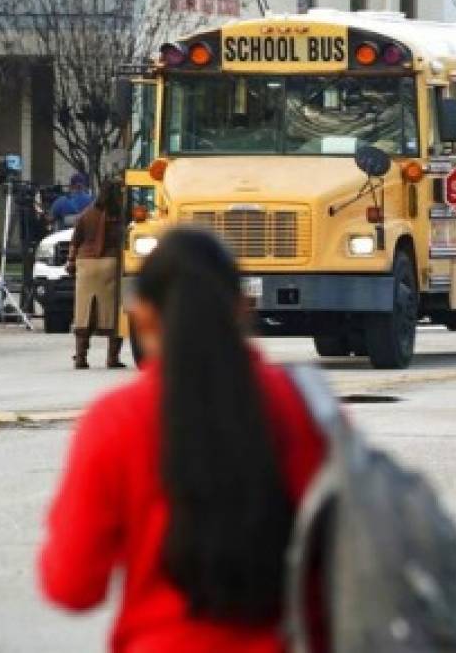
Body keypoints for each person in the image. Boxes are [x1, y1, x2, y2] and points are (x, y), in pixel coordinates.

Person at [39, 227, 324, 652]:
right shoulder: (302, 408)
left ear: (143, 315)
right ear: (243, 308)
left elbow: (73, 586)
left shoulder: (116, 421)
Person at [68, 181, 127, 369]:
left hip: (86, 265)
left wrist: (71, 262)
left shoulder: (86, 214)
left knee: (84, 311)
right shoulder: (120, 216)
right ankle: (112, 358)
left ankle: (80, 357)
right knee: (115, 311)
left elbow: (75, 240)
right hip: (111, 264)